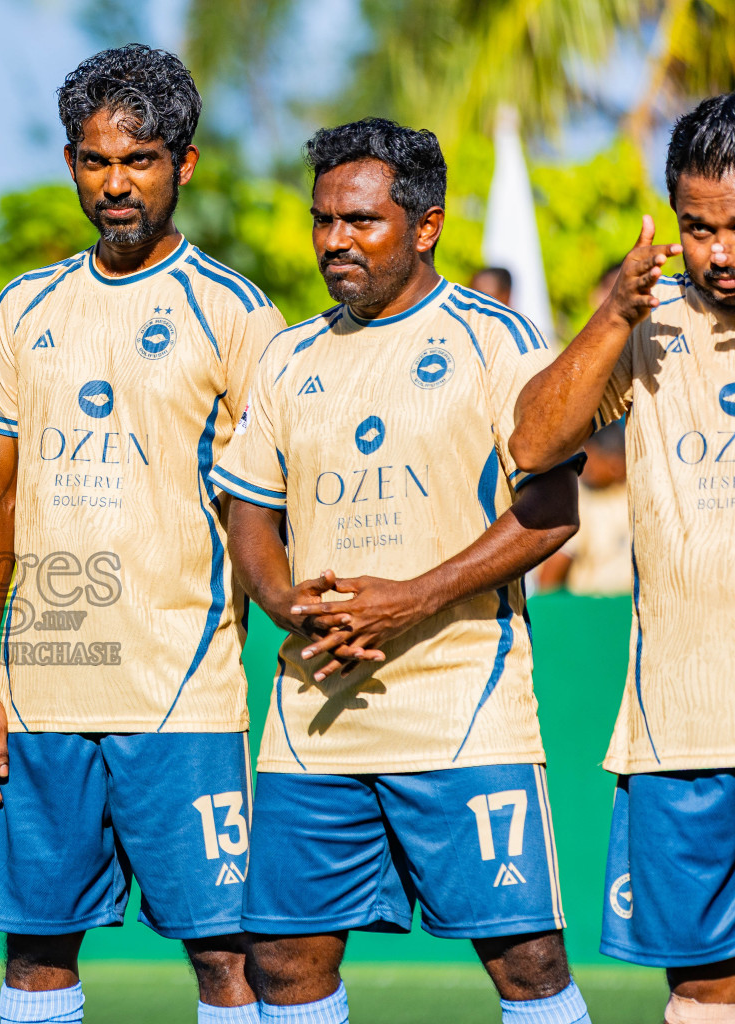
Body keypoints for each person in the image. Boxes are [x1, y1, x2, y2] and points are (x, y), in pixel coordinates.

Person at [214, 119, 591, 1024]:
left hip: (461, 705)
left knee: (527, 961)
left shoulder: (493, 339)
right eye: (323, 221)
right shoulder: (288, 354)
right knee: (282, 961)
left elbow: (552, 511)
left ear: (425, 226)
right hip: (315, 715)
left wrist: (412, 600)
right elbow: (249, 514)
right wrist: (282, 603)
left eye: (362, 221)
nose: (335, 241)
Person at [0, 45, 285, 1024]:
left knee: (228, 956)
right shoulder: (23, 307)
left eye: (138, 160)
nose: (115, 185)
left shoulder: (237, 314)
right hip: (44, 696)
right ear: (70, 164)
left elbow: (269, 506)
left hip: (184, 695)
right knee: (35, 953)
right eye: (96, 162)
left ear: (183, 163)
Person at [509, 91, 735, 1024]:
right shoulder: (647, 329)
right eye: (699, 229)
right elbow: (532, 444)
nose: (719, 253)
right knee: (705, 990)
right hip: (682, 727)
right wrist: (610, 316)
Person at [535, 420, 630, 595]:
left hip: (634, 609)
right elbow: (551, 575)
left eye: (592, 456)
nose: (587, 466)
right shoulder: (576, 498)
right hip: (590, 611)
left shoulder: (639, 494)